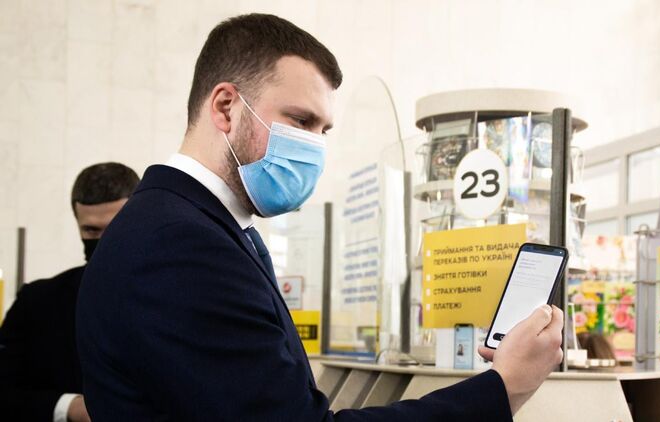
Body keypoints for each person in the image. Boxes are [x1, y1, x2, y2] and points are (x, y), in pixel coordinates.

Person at [76, 14, 564, 421]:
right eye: (301, 121)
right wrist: (504, 386)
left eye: (323, 130)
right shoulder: (179, 243)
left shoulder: (194, 224)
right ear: (225, 107)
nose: (314, 146)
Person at [0, 162, 140, 422]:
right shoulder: (37, 303)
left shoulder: (176, 299)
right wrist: (71, 407)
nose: (103, 241)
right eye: (91, 230)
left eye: (113, 227)